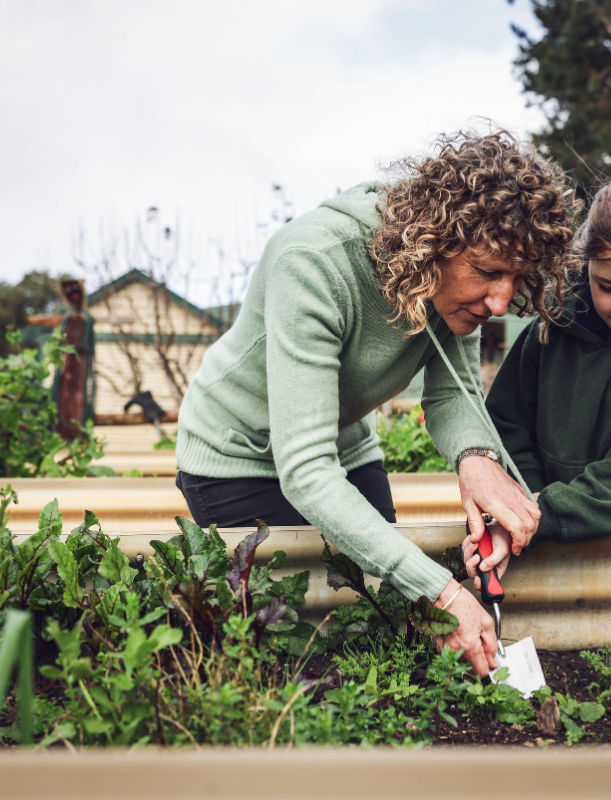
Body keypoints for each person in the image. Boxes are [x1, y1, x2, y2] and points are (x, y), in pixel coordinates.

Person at [175, 130, 579, 676]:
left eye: (516, 277)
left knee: (383, 623)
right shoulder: (314, 264)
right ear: (438, 240)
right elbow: (307, 471)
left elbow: (451, 393)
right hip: (237, 454)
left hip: (343, 446)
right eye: (489, 273)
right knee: (292, 652)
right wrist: (444, 593)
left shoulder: (451, 288)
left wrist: (477, 462)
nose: (503, 300)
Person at [465, 165, 611, 583]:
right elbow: (508, 423)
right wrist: (522, 509)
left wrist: (534, 517)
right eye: (609, 287)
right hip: (532, 527)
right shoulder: (551, 323)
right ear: (587, 261)